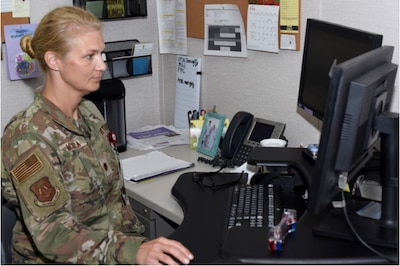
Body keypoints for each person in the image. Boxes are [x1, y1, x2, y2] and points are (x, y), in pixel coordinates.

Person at [1, 6, 194, 265]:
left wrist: (138, 246)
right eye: (89, 56)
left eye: (101, 53)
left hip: (110, 251)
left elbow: (113, 200)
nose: (102, 65)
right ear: (53, 60)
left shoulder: (90, 112)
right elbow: (53, 235)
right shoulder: (26, 135)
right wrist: (131, 251)